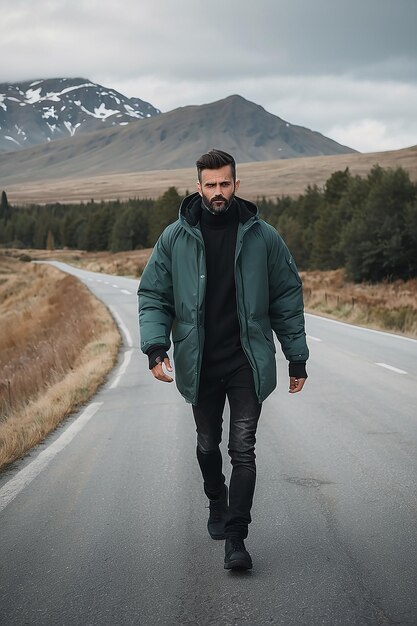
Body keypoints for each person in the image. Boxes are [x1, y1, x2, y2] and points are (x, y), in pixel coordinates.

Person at [138, 149, 308, 570]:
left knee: (243, 450)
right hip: (201, 363)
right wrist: (156, 347)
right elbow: (153, 295)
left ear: (237, 184)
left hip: (246, 361)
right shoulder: (174, 238)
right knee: (206, 444)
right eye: (210, 185)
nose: (218, 192)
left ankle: (237, 538)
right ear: (198, 186)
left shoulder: (262, 236)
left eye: (225, 184)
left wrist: (296, 357)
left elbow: (287, 296)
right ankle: (216, 497)